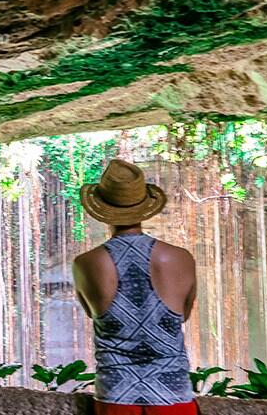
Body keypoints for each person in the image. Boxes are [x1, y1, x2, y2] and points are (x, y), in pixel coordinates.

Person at [72, 158, 198, 415]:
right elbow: (183, 315)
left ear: (102, 208)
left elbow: (93, 314)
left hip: (116, 396)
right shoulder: (181, 258)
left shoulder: (85, 263)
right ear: (145, 207)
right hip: (173, 394)